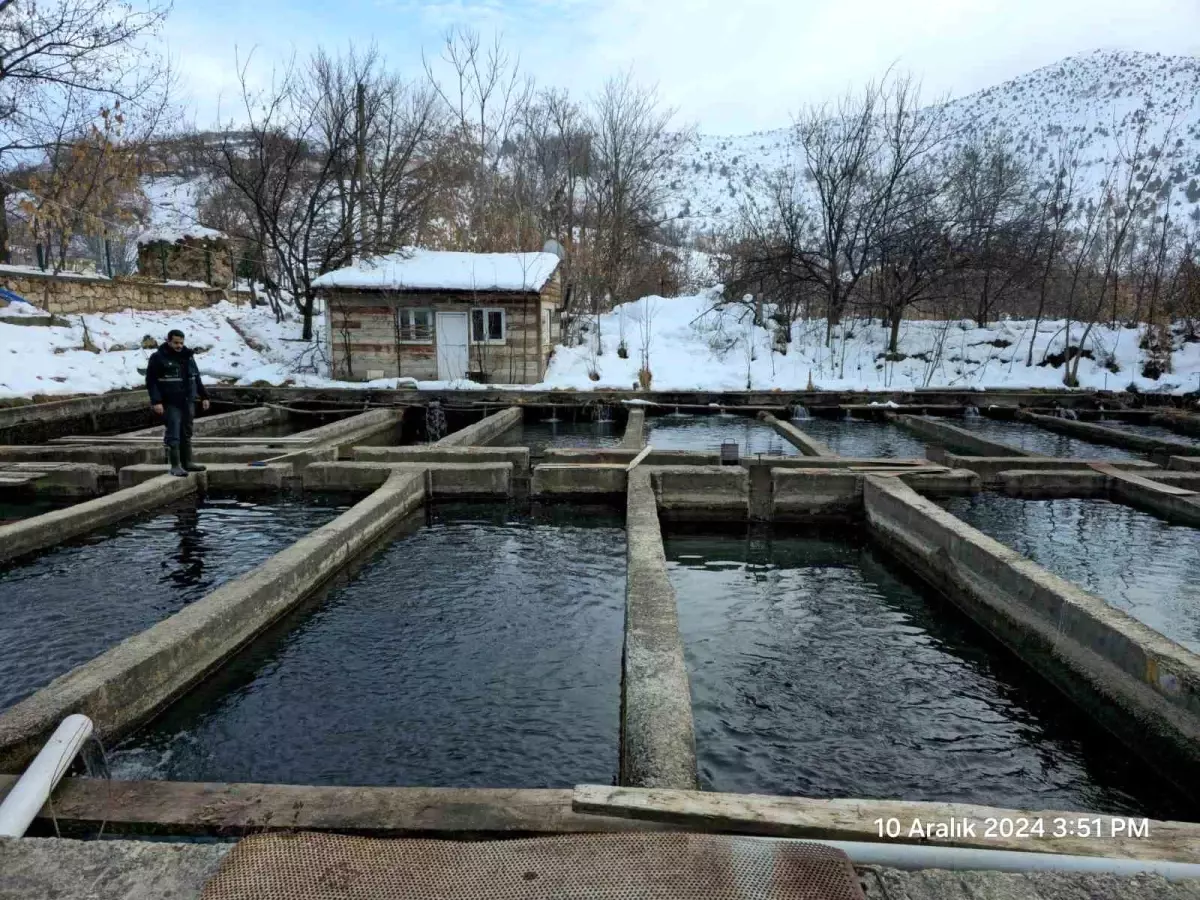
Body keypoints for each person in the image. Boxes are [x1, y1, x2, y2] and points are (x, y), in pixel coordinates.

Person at [146, 329, 210, 476]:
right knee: (173, 432)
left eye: (181, 343)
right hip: (170, 402)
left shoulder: (188, 357)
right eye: (175, 342)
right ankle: (175, 465)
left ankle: (187, 462)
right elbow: (151, 382)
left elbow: (196, 378)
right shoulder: (158, 358)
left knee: (186, 432)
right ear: (168, 341)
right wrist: (156, 401)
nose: (179, 345)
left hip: (188, 401)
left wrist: (204, 396)